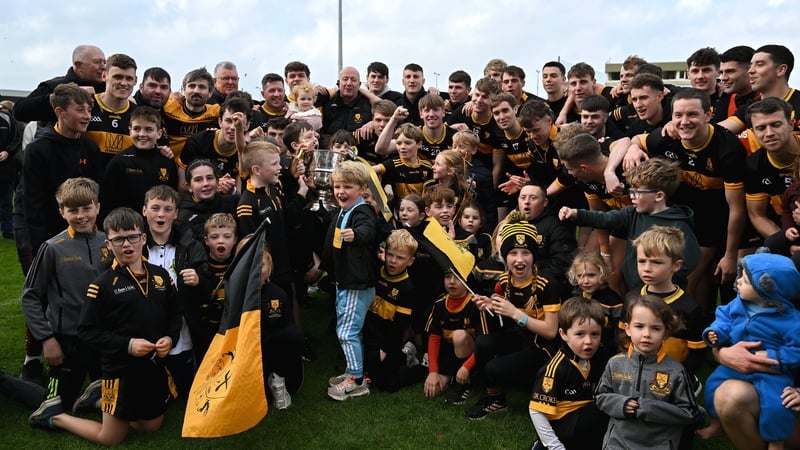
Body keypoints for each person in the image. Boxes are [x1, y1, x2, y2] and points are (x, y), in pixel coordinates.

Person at [28, 207, 182, 445]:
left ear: (143, 238)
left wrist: (170, 338)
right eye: (118, 239)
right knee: (111, 437)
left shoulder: (162, 276)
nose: (127, 245)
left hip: (153, 367)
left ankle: (97, 402)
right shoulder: (102, 286)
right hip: (120, 370)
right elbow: (87, 331)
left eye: (132, 237)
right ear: (108, 245)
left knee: (151, 426)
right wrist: (127, 345)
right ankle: (55, 415)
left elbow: (174, 314)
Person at [21, 178, 110, 411]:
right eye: (73, 210)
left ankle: (93, 394)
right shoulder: (52, 247)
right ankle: (5, 383)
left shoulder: (109, 243)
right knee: (53, 404)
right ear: (62, 212)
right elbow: (30, 296)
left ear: (98, 208)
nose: (81, 216)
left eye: (87, 208)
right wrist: (47, 339)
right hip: (66, 340)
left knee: (118, 399)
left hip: (102, 338)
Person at [699, 253, 800, 449]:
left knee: (777, 404)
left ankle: (776, 442)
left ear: (766, 289)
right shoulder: (740, 303)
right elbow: (723, 318)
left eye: (744, 280)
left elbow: (797, 350)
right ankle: (717, 423)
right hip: (739, 368)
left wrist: (773, 357)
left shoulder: (792, 321)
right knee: (714, 386)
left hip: (774, 374)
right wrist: (719, 344)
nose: (737, 282)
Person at [467, 210, 561, 420]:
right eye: (513, 253)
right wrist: (492, 304)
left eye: (526, 253)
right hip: (522, 337)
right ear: (504, 256)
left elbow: (551, 332)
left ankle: (530, 387)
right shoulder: (504, 279)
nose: (519, 260)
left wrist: (515, 313)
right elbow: (510, 311)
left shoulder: (548, 284)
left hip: (544, 347)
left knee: (494, 367)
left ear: (534, 256)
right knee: (482, 343)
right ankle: (496, 399)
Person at [559, 157, 700, 291]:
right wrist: (576, 213)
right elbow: (606, 219)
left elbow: (691, 260)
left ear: (659, 196)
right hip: (636, 288)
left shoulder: (678, 224)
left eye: (637, 192)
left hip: (663, 292)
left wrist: (663, 277)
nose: (631, 196)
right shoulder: (633, 213)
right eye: (631, 191)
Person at [595, 295, 705, 450]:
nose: (646, 334)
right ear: (627, 329)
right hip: (618, 444)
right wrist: (622, 404)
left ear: (666, 332)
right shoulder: (615, 363)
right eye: (639, 326)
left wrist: (647, 408)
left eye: (655, 328)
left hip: (658, 445)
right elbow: (600, 396)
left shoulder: (676, 371)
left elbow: (689, 412)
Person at [23, 83, 104, 255]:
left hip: (87, 235)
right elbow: (33, 202)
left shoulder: (91, 148)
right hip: (51, 236)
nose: (87, 116)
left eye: (89, 110)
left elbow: (97, 193)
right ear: (60, 112)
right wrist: (39, 247)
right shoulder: (37, 150)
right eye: (80, 110)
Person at [141, 185, 206, 398]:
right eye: (155, 208)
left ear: (176, 213)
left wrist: (198, 279)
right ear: (144, 210)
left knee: (185, 390)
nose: (161, 214)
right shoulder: (136, 243)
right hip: (144, 323)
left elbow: (206, 272)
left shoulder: (189, 242)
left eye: (168, 209)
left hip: (181, 323)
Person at [322, 160, 378, 401]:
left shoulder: (362, 211)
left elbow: (368, 229)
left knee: (347, 331)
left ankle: (356, 381)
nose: (341, 192)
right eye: (337, 186)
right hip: (345, 280)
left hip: (357, 282)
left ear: (363, 189)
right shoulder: (343, 210)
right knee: (349, 329)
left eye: (347, 186)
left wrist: (357, 234)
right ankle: (352, 371)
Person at [529, 297, 610, 450]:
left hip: (583, 420)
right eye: (580, 334)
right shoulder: (555, 369)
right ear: (564, 334)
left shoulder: (599, 357)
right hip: (562, 426)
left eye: (595, 334)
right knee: (604, 408)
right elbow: (536, 411)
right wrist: (555, 446)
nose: (588, 341)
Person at [362, 229, 426, 392]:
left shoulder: (407, 288)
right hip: (369, 333)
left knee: (386, 385)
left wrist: (385, 349)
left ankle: (418, 367)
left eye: (400, 258)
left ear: (410, 261)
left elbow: (400, 325)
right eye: (390, 255)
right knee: (366, 373)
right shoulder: (376, 272)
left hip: (388, 337)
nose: (393, 261)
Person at [101, 106, 178, 218]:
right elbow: (107, 201)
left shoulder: (167, 160)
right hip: (127, 225)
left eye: (149, 129)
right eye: (137, 129)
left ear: (159, 133)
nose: (142, 134)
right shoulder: (119, 162)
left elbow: (173, 196)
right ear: (130, 131)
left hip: (158, 224)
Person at [744, 98, 800, 243]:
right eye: (761, 128)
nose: (769, 133)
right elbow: (757, 215)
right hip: (786, 232)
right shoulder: (753, 166)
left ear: (791, 124)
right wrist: (787, 243)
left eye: (776, 125)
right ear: (753, 132)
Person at [424, 269, 481, 403]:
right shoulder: (439, 304)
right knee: (433, 391)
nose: (452, 282)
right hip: (448, 354)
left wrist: (466, 366)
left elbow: (483, 342)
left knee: (459, 336)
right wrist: (433, 371)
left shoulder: (476, 304)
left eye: (458, 278)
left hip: (471, 355)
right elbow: (434, 338)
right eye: (447, 277)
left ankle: (465, 383)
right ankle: (451, 377)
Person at [13, 44, 105, 124]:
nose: (103, 67)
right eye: (97, 62)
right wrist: (63, 97)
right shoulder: (53, 86)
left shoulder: (109, 89)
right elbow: (19, 111)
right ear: (78, 65)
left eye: (104, 62)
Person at [260, 248, 304, 410]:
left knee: (295, 334)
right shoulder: (237, 293)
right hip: (248, 352)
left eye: (262, 264)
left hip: (272, 349)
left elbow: (288, 327)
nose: (257, 268)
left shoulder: (277, 293)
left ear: (269, 266)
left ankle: (278, 380)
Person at [178, 95, 249, 193]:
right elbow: (182, 186)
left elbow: (240, 194)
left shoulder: (247, 151)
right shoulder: (198, 141)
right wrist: (213, 185)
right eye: (228, 121)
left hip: (226, 202)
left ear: (247, 126)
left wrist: (231, 190)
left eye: (239, 122)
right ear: (220, 122)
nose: (233, 127)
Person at [192, 213, 237, 362]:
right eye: (215, 237)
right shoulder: (199, 267)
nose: (221, 241)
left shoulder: (240, 266)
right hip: (206, 331)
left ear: (235, 239)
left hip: (232, 330)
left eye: (227, 236)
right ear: (206, 240)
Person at [85, 53, 138, 166]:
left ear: (135, 81)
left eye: (129, 78)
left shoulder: (139, 114)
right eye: (117, 77)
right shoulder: (86, 105)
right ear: (104, 76)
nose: (124, 83)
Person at [566, 250, 623, 352]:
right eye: (580, 276)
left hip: (606, 350)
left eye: (591, 275)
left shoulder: (613, 301)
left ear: (603, 273)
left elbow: (619, 333)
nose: (585, 281)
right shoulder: (575, 295)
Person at [161, 68, 221, 161]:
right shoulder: (168, 106)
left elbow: (239, 110)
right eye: (192, 86)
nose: (196, 91)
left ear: (210, 93)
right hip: (168, 165)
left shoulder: (216, 112)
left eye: (202, 87)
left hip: (198, 169)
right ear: (183, 90)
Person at [373, 122, 433, 211]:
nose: (402, 147)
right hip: (399, 213)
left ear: (419, 144)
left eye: (408, 143)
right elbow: (370, 170)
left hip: (421, 212)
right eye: (399, 143)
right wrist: (386, 183)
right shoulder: (393, 163)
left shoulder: (427, 167)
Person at [177, 159, 239, 243]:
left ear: (217, 182)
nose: (206, 183)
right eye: (198, 180)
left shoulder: (233, 203)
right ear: (189, 187)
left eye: (210, 178)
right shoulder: (184, 216)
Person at [452, 129, 497, 230]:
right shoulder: (446, 168)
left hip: (474, 222)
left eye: (461, 147)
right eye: (454, 147)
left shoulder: (483, 173)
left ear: (474, 150)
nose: (457, 150)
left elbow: (489, 204)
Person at [317, 66, 372, 137]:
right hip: (328, 147)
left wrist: (374, 123)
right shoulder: (326, 102)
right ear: (338, 83)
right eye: (345, 79)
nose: (349, 83)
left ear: (359, 84)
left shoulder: (369, 104)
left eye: (353, 80)